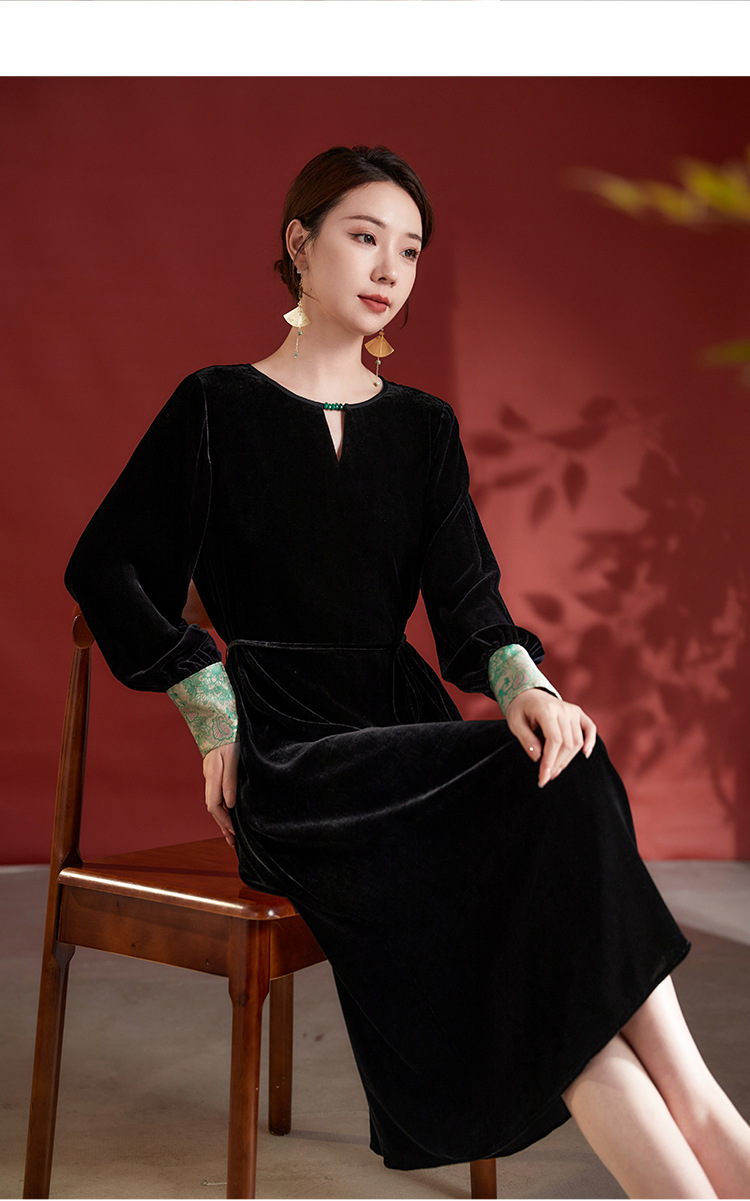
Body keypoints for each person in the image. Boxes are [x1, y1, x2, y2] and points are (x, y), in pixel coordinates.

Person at [65, 144, 750, 1200]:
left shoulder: (424, 428)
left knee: (561, 768)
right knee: (541, 833)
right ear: (300, 245)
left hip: (407, 732)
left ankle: (700, 1115)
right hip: (294, 758)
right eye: (364, 236)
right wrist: (210, 705)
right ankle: (708, 1115)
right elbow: (105, 569)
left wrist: (528, 687)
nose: (390, 267)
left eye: (412, 250)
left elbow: (471, 610)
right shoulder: (213, 406)